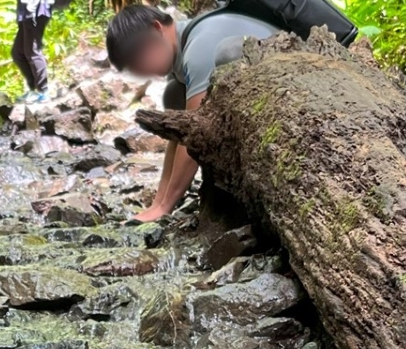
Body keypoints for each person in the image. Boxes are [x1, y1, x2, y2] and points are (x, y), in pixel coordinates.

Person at [106, 5, 279, 222]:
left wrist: (166, 207)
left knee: (216, 65)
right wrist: (158, 203)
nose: (142, 69)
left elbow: (197, 133)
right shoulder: (185, 44)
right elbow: (180, 131)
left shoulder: (199, 49)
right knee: (174, 95)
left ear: (156, 29)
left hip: (292, 98)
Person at [13, 0, 52, 104]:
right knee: (18, 53)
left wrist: (32, 10)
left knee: (32, 51)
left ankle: (43, 91)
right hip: (26, 12)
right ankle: (33, 90)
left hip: (36, 10)